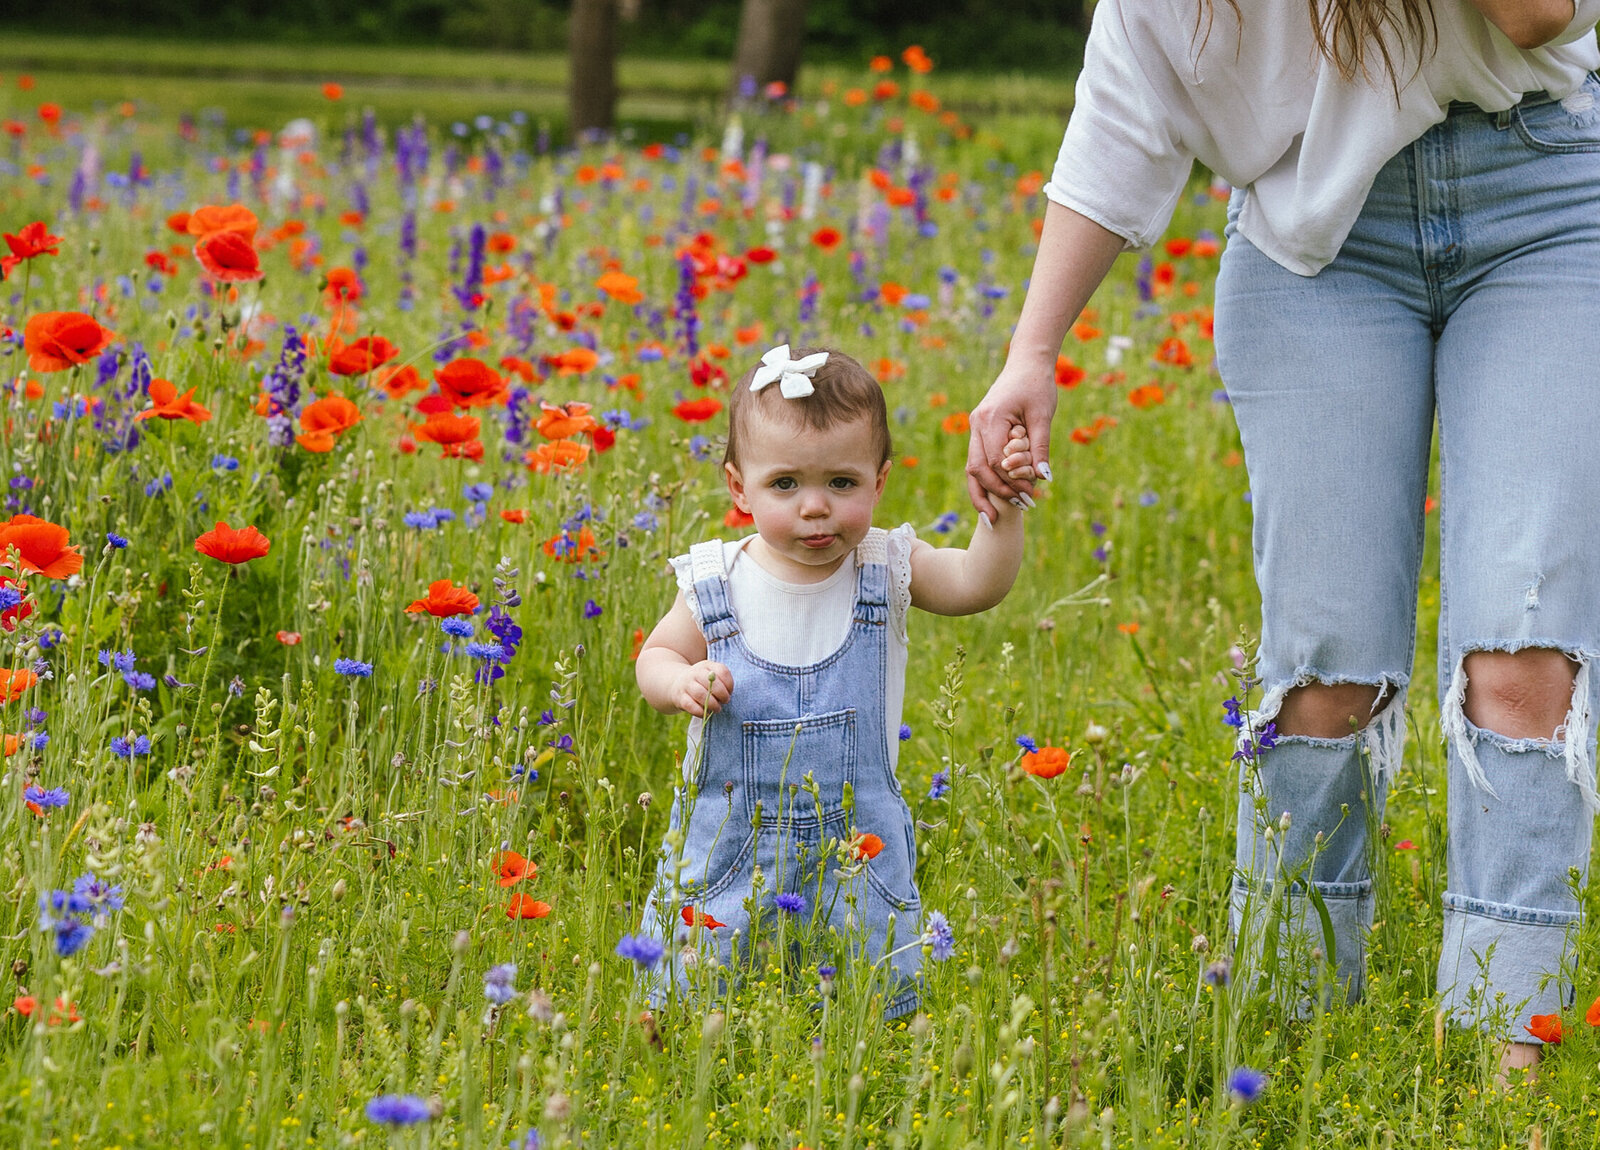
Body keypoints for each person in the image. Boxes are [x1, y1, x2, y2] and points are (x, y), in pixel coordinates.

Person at [966, 0, 1600, 1079]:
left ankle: (1506, 1056)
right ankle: (1290, 1040)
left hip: (1542, 199)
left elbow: (1537, 15)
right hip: (1315, 248)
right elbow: (1122, 117)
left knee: (1523, 647)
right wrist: (1030, 351)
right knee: (1324, 668)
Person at [635, 344, 1027, 1016]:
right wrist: (681, 680)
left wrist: (1004, 510)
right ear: (739, 488)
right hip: (732, 847)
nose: (815, 508)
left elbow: (976, 584)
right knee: (703, 987)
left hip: (858, 847)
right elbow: (655, 656)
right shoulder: (715, 581)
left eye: (841, 484)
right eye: (785, 484)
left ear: (878, 482)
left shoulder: (885, 565)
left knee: (864, 991)